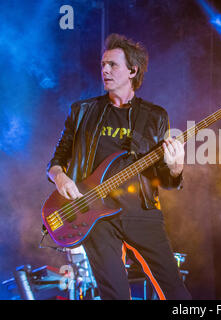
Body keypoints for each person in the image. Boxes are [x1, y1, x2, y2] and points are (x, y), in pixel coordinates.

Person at [47, 33, 191, 300]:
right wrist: (61, 179)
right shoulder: (82, 111)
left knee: (176, 292)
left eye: (112, 64)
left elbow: (166, 180)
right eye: (103, 64)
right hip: (95, 216)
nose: (104, 70)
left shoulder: (155, 115)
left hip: (142, 213)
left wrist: (175, 167)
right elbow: (56, 162)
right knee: (114, 295)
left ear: (132, 71)